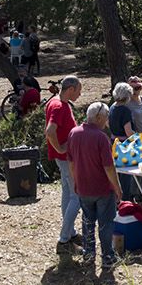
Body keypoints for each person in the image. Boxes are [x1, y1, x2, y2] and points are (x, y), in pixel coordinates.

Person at [68, 101, 119, 274]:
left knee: (88, 222)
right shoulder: (100, 137)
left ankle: (89, 255)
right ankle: (107, 257)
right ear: (98, 117)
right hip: (102, 189)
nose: (107, 121)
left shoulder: (74, 133)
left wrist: (75, 181)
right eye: (106, 117)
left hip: (83, 187)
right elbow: (109, 168)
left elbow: (71, 163)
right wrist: (117, 188)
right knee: (105, 224)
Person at [45, 76, 83, 254]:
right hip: (66, 158)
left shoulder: (54, 102)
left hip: (64, 158)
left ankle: (70, 232)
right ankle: (64, 239)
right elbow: (50, 130)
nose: (80, 94)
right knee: (77, 196)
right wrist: (60, 148)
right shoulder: (59, 106)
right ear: (71, 89)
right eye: (79, 90)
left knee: (68, 193)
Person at [108, 82, 142, 202]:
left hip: (113, 142)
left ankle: (116, 200)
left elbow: (108, 124)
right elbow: (128, 132)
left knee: (116, 174)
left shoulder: (112, 107)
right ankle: (125, 202)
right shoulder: (125, 110)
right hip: (125, 146)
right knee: (126, 176)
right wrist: (139, 137)